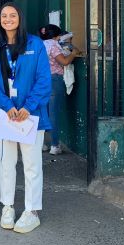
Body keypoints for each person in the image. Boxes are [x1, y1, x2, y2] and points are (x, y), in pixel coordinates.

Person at [0, 2, 51, 233]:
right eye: (4, 15)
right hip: (4, 116)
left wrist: (28, 107)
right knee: (6, 164)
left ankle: (32, 211)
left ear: (20, 18)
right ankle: (8, 206)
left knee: (32, 165)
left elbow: (44, 80)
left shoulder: (35, 44)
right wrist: (6, 105)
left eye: (13, 15)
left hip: (31, 116)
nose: (8, 19)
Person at [39, 24, 80, 155]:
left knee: (42, 113)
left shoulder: (40, 44)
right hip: (54, 80)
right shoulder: (53, 45)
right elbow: (64, 62)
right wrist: (73, 53)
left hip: (41, 81)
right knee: (54, 114)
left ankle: (41, 144)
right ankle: (55, 145)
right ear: (57, 35)